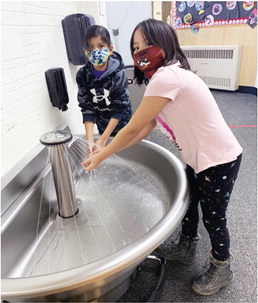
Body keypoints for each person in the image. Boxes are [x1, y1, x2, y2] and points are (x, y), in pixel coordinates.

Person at [81, 19, 242, 296]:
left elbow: (131, 127)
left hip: (219, 159)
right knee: (191, 202)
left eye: (147, 44)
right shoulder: (165, 77)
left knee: (214, 218)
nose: (141, 52)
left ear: (165, 43)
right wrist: (106, 149)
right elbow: (144, 129)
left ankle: (221, 267)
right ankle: (186, 246)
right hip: (200, 157)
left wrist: (103, 153)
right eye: (135, 47)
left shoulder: (168, 77)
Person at [76, 25, 132, 152]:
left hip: (123, 126)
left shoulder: (118, 74)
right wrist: (90, 142)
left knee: (125, 153)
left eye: (100, 46)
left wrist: (102, 140)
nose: (95, 51)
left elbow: (119, 109)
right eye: (90, 47)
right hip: (102, 125)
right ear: (86, 51)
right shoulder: (83, 75)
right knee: (102, 153)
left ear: (110, 49)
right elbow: (87, 109)